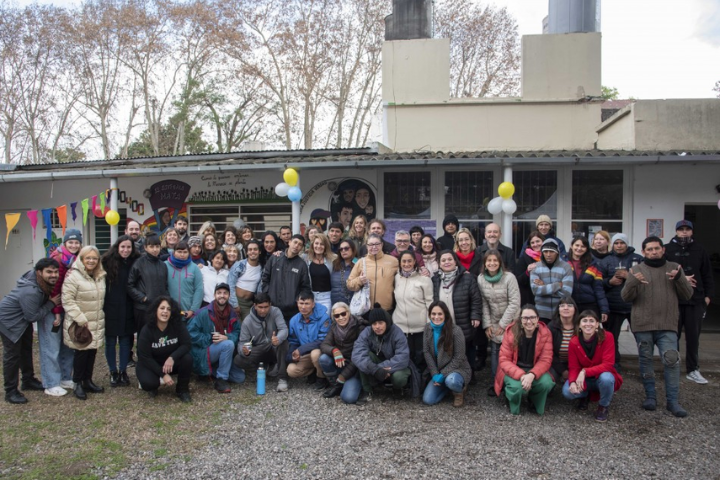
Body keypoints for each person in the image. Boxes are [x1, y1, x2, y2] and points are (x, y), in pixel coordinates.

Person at [621, 236, 693, 417]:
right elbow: (625, 297)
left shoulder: (674, 268)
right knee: (645, 361)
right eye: (649, 249)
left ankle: (673, 401)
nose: (653, 252)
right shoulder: (637, 269)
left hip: (667, 324)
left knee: (671, 360)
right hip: (643, 324)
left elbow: (687, 295)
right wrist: (632, 281)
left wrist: (679, 279)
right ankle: (650, 397)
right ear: (644, 252)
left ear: (663, 250)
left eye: (656, 248)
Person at [0, 258, 60, 403]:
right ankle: (11, 391)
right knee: (12, 356)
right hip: (9, 321)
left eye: (56, 272)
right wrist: (51, 304)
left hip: (22, 320)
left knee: (26, 350)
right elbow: (32, 316)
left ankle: (28, 380)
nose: (53, 275)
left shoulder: (38, 281)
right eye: (49, 272)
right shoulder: (31, 291)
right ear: (39, 272)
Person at [664, 220, 715, 385]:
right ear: (676, 231)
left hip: (695, 300)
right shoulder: (667, 249)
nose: (684, 232)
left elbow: (707, 274)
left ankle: (693, 369)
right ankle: (673, 367)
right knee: (672, 336)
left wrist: (708, 296)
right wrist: (680, 278)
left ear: (692, 232)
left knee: (693, 337)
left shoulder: (699, 249)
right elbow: (662, 273)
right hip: (674, 300)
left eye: (687, 230)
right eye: (681, 230)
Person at [62, 246, 107, 400]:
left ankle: (88, 380)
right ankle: (77, 383)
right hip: (81, 322)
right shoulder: (73, 276)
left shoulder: (100, 275)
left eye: (94, 258)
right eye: (88, 258)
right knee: (81, 352)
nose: (91, 261)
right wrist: (80, 318)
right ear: (81, 259)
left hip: (95, 320)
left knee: (92, 351)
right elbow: (67, 300)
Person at [562, 310, 623, 422]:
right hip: (584, 380)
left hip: (600, 376)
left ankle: (603, 406)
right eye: (584, 321)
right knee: (567, 391)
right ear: (579, 325)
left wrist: (584, 372)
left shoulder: (607, 337)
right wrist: (573, 382)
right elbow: (574, 367)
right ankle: (585, 396)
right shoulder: (574, 342)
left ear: (597, 324)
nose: (588, 324)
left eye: (591, 321)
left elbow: (608, 364)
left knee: (607, 378)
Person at [494, 305, 555, 415]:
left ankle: (534, 401)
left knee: (546, 383)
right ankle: (512, 400)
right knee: (517, 387)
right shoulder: (511, 332)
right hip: (514, 368)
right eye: (525, 318)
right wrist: (522, 375)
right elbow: (504, 360)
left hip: (534, 368)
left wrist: (532, 374)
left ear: (537, 318)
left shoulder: (545, 333)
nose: (529, 321)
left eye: (532, 317)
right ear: (520, 320)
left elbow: (545, 359)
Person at [431, 250, 482, 379]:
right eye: (443, 260)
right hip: (443, 323)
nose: (446, 262)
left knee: (467, 348)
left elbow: (476, 298)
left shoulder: (467, 277)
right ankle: (448, 376)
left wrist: (475, 315)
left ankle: (470, 376)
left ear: (455, 261)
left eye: (449, 259)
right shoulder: (435, 280)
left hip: (463, 320)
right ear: (439, 263)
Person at [43, 229, 83, 395]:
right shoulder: (58, 259)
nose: (74, 245)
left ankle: (66, 377)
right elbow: (54, 289)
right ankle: (51, 383)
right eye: (70, 242)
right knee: (52, 346)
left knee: (68, 344)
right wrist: (57, 312)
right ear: (65, 243)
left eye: (76, 242)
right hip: (54, 308)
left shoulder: (75, 259)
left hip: (68, 307)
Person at [187, 283, 245, 393]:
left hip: (221, 353)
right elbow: (190, 333)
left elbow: (238, 332)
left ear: (229, 295)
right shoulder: (203, 312)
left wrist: (226, 336)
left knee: (239, 377)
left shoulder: (232, 313)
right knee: (228, 344)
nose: (222, 296)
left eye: (225, 293)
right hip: (203, 351)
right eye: (219, 293)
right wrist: (211, 338)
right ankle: (221, 380)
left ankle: (207, 371)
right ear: (214, 295)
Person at [478, 249, 521, 393]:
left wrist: (504, 324)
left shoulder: (509, 277)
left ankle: (510, 381)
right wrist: (487, 324)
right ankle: (496, 382)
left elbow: (514, 303)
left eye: (495, 260)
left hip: (511, 321)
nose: (492, 263)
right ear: (484, 263)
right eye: (489, 260)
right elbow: (484, 303)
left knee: (510, 352)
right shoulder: (481, 278)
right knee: (495, 351)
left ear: (500, 262)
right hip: (494, 321)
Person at [352, 304, 412, 405]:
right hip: (376, 363)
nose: (377, 327)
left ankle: (398, 388)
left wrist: (379, 369)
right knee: (364, 357)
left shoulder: (397, 332)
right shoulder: (367, 332)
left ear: (387, 322)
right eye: (374, 323)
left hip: (394, 366)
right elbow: (357, 354)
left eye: (380, 323)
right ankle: (367, 391)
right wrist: (375, 369)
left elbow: (403, 357)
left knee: (399, 377)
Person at [598, 233, 643, 368]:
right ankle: (614, 363)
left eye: (622, 243)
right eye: (616, 243)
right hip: (613, 306)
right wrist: (609, 282)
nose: (619, 246)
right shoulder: (606, 260)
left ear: (626, 244)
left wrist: (629, 276)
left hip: (634, 306)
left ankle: (644, 364)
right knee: (612, 338)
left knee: (641, 338)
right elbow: (599, 283)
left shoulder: (638, 259)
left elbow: (647, 281)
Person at [136, 296, 193, 402]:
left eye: (168, 309)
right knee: (149, 383)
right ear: (155, 310)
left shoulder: (177, 325)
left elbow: (187, 344)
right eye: (162, 308)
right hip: (151, 363)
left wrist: (172, 357)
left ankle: (182, 390)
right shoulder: (147, 330)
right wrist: (163, 374)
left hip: (169, 363)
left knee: (187, 358)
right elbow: (145, 357)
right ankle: (154, 384)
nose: (165, 312)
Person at [101, 235, 139, 388]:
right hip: (110, 305)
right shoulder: (106, 261)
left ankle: (123, 371)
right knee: (110, 341)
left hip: (128, 305)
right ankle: (112, 371)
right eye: (123, 247)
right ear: (117, 247)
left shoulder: (136, 261)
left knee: (125, 341)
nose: (125, 250)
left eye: (128, 247)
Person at [234, 293, 290, 393]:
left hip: (273, 346)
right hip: (259, 349)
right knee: (239, 359)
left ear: (270, 305)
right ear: (254, 306)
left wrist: (278, 338)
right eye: (260, 307)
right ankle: (264, 368)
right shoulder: (247, 321)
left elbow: (284, 329)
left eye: (266, 307)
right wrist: (245, 350)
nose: (263, 310)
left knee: (283, 343)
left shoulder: (275, 311)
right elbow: (242, 342)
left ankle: (282, 378)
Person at [422, 301, 472, 407]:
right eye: (433, 314)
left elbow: (459, 357)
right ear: (429, 315)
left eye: (440, 314)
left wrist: (442, 375)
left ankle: (459, 391)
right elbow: (426, 352)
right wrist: (435, 374)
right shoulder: (427, 328)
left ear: (445, 314)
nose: (436, 317)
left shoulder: (456, 331)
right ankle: (447, 388)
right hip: (438, 371)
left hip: (457, 370)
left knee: (452, 381)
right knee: (428, 400)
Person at [393, 251, 434, 372]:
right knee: (407, 358)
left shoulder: (424, 279)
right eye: (404, 261)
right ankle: (409, 385)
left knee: (421, 358)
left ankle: (421, 385)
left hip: (420, 327)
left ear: (415, 262)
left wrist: (429, 324)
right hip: (401, 327)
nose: (406, 264)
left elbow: (430, 303)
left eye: (409, 261)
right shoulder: (396, 277)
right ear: (400, 263)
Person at [318, 302, 368, 401]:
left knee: (348, 398)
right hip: (340, 362)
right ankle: (337, 386)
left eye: (343, 314)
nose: (341, 318)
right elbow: (324, 345)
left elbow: (360, 356)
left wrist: (343, 376)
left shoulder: (360, 327)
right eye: (337, 316)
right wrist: (335, 350)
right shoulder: (334, 327)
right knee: (323, 358)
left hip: (355, 367)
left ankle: (348, 383)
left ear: (348, 312)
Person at [286, 292, 331, 388]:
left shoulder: (324, 317)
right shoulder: (294, 320)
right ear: (297, 303)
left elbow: (322, 340)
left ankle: (321, 378)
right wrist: (292, 356)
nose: (303, 307)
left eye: (307, 303)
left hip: (320, 351)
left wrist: (301, 349)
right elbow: (293, 341)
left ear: (313, 304)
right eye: (301, 303)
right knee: (291, 370)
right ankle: (312, 372)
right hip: (305, 354)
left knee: (315, 354)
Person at [261, 234, 311, 320]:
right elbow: (265, 277)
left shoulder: (302, 265)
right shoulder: (275, 258)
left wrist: (297, 301)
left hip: (291, 311)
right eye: (295, 242)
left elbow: (305, 287)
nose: (296, 246)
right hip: (272, 308)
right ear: (290, 242)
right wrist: (268, 293)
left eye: (300, 244)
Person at [127, 235, 169, 336]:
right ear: (145, 247)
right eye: (151, 246)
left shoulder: (163, 265)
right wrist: (143, 298)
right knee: (144, 336)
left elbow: (165, 286)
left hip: (159, 308)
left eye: (157, 246)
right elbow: (130, 285)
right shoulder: (139, 263)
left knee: (158, 336)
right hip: (143, 308)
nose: (155, 250)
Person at [347, 233, 399, 312]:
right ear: (367, 246)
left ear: (381, 245)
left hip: (387, 309)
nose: (374, 247)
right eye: (371, 244)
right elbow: (349, 284)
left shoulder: (393, 261)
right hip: (366, 308)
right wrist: (359, 280)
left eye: (377, 244)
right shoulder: (361, 262)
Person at [565, 236, 609, 322]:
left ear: (586, 249)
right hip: (569, 305)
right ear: (571, 246)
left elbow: (599, 289)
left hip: (589, 305)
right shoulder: (563, 262)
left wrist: (604, 309)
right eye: (577, 245)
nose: (579, 248)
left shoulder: (593, 264)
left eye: (583, 246)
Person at [530, 238, 574, 323]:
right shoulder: (535, 267)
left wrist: (544, 286)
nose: (548, 254)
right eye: (545, 252)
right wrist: (557, 285)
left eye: (552, 251)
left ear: (557, 253)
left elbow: (566, 293)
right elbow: (535, 290)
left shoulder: (566, 267)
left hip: (560, 312)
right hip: (541, 313)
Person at [165, 241, 204, 319]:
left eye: (185, 252)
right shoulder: (165, 266)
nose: (182, 255)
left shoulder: (194, 268)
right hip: (169, 312)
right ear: (174, 252)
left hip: (187, 313)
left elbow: (199, 289)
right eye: (179, 252)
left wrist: (193, 310)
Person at [548, 296, 579, 385]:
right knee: (549, 381)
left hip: (576, 364)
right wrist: (563, 370)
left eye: (569, 305)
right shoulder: (551, 327)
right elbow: (549, 352)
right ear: (558, 309)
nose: (566, 308)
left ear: (575, 309)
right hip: (556, 363)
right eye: (562, 306)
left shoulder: (581, 326)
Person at [228, 240, 263, 320]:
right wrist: (235, 305)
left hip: (249, 303)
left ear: (259, 251)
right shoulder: (239, 265)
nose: (252, 252)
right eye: (250, 250)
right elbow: (230, 285)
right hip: (236, 301)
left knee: (248, 328)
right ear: (246, 252)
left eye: (255, 249)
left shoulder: (262, 268)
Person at [303, 233, 336, 313]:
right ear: (312, 245)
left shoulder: (333, 259)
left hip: (327, 297)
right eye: (316, 243)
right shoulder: (306, 258)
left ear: (325, 246)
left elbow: (350, 258)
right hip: (311, 296)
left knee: (325, 322)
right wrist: (279, 253)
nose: (319, 246)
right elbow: (292, 255)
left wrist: (357, 261)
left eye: (322, 244)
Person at [513, 231, 544, 307]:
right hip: (529, 298)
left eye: (538, 241)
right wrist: (527, 272)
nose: (535, 244)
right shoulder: (524, 257)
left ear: (543, 241)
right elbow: (518, 280)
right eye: (532, 242)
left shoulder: (549, 256)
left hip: (545, 296)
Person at [330, 240, 357, 306]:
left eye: (346, 248)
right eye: (341, 249)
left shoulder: (358, 263)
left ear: (353, 249)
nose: (343, 251)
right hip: (335, 304)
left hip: (352, 304)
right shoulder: (335, 263)